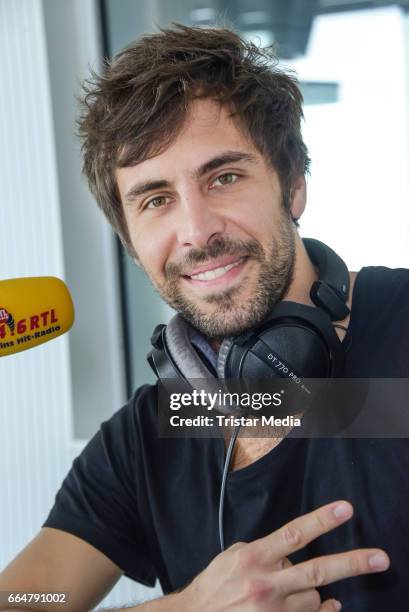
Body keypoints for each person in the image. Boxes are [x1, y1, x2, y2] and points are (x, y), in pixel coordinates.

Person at [1, 23, 408, 612]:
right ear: (131, 239)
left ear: (293, 187)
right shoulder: (144, 438)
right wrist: (188, 608)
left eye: (224, 177)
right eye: (156, 199)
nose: (197, 231)